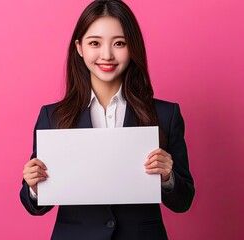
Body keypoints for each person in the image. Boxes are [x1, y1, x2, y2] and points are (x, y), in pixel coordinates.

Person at [19, 0, 195, 239]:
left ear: (133, 47)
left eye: (119, 43)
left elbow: (183, 201)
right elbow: (36, 206)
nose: (107, 55)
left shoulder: (165, 115)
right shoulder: (53, 116)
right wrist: (33, 187)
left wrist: (167, 177)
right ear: (79, 48)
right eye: (95, 43)